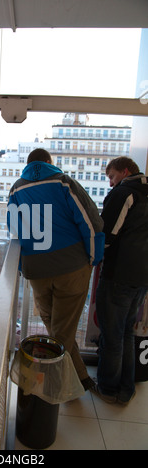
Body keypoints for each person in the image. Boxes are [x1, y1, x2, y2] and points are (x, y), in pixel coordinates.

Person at [7, 148, 105, 390]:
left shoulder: (16, 190)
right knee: (63, 329)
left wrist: (23, 266)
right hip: (71, 266)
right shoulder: (63, 182)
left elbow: (15, 230)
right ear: (49, 162)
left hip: (37, 271)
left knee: (57, 325)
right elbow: (91, 221)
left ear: (28, 165)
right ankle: (55, 386)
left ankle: (80, 378)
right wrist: (95, 257)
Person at [93, 156, 148, 404]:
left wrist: (94, 252)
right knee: (126, 331)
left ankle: (107, 387)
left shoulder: (125, 192)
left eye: (112, 177)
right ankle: (127, 388)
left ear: (125, 172)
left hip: (120, 274)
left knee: (113, 334)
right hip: (142, 277)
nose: (111, 184)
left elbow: (108, 234)